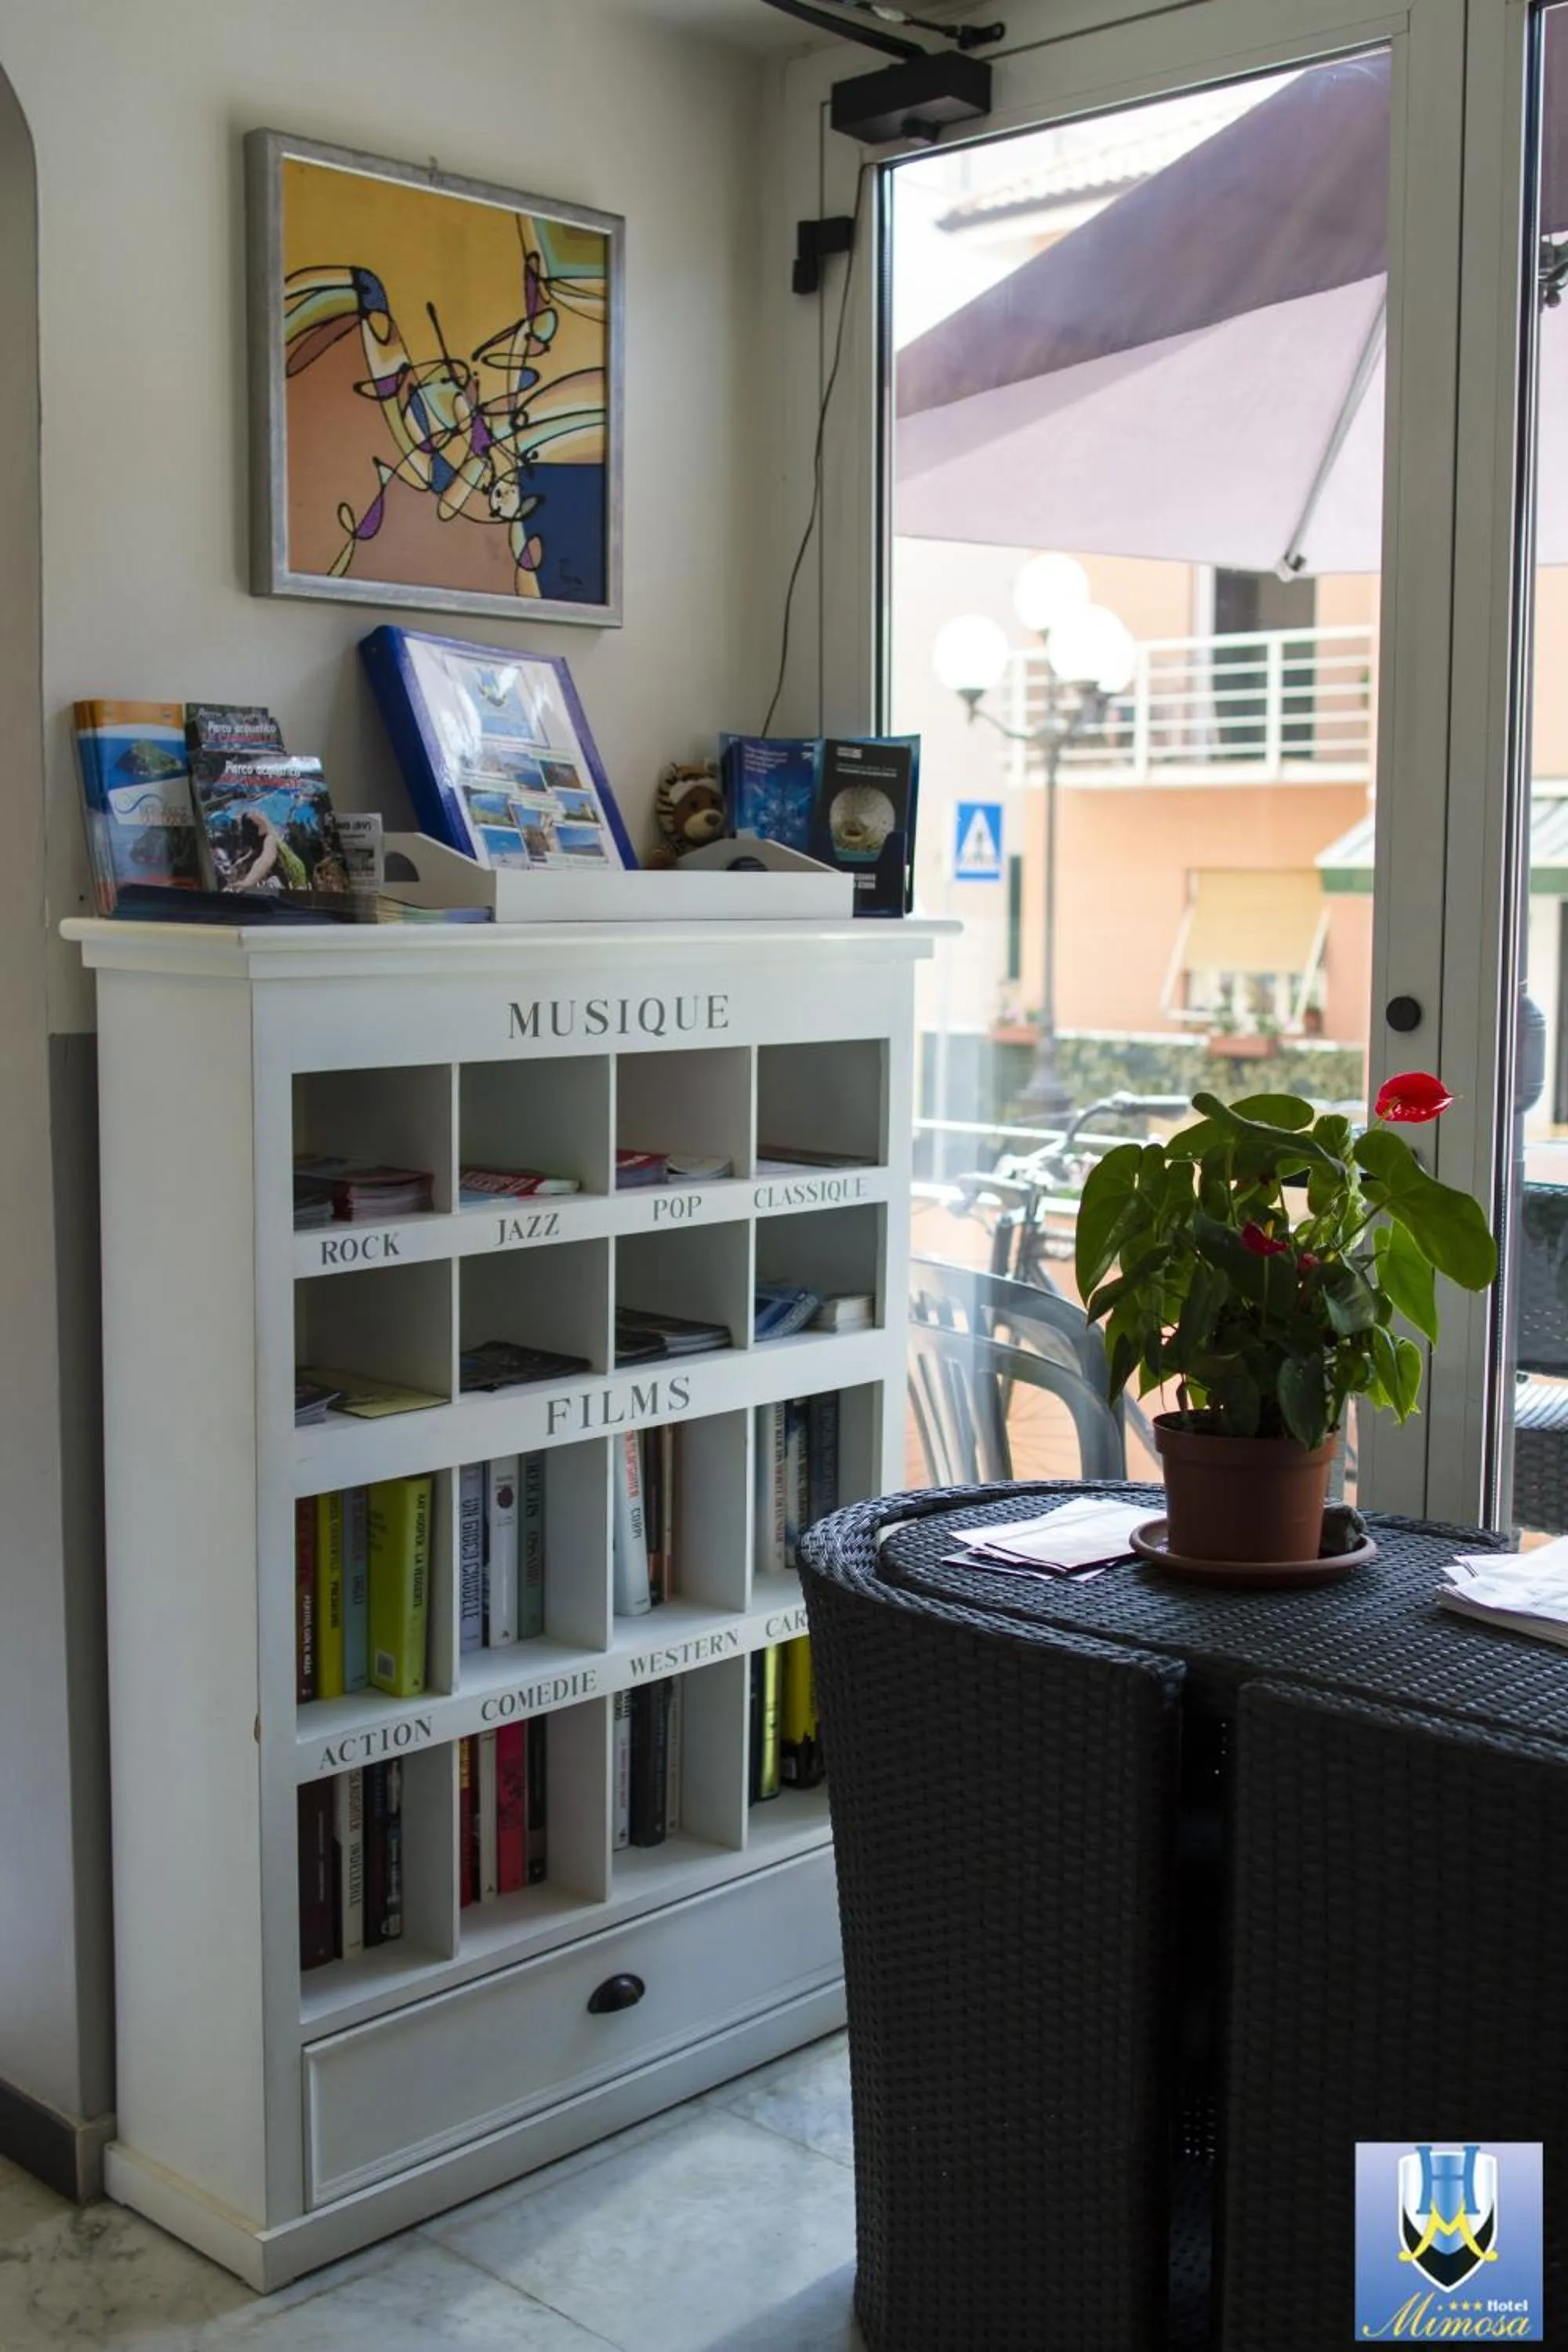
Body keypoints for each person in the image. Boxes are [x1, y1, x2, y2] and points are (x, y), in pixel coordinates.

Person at [227, 808, 307, 891]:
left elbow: (265, 860)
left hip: (295, 880)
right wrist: (244, 859)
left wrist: (248, 881)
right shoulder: (269, 834)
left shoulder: (270, 840)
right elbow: (258, 851)